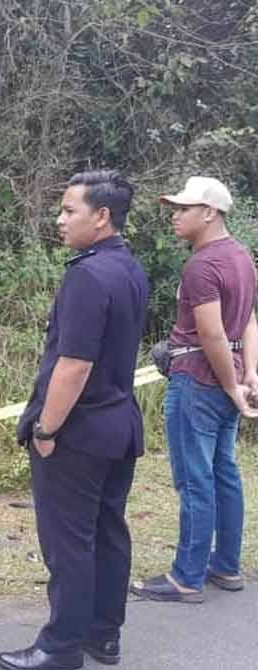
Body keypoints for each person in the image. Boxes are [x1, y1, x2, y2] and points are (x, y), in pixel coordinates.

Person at [0, 170, 149, 670]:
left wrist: (46, 429)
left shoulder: (86, 275)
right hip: (118, 426)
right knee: (107, 532)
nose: (59, 219)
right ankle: (104, 636)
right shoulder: (130, 267)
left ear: (101, 216)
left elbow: (75, 363)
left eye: (69, 211)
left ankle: (61, 646)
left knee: (70, 543)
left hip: (79, 433)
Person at [131, 177, 258, 603]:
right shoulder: (242, 258)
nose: (175, 214)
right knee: (224, 473)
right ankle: (226, 567)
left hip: (199, 381)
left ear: (209, 212)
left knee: (195, 479)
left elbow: (213, 333)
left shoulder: (202, 266)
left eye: (184, 208)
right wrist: (248, 375)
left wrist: (232, 383)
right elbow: (250, 323)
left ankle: (186, 577)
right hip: (228, 378)